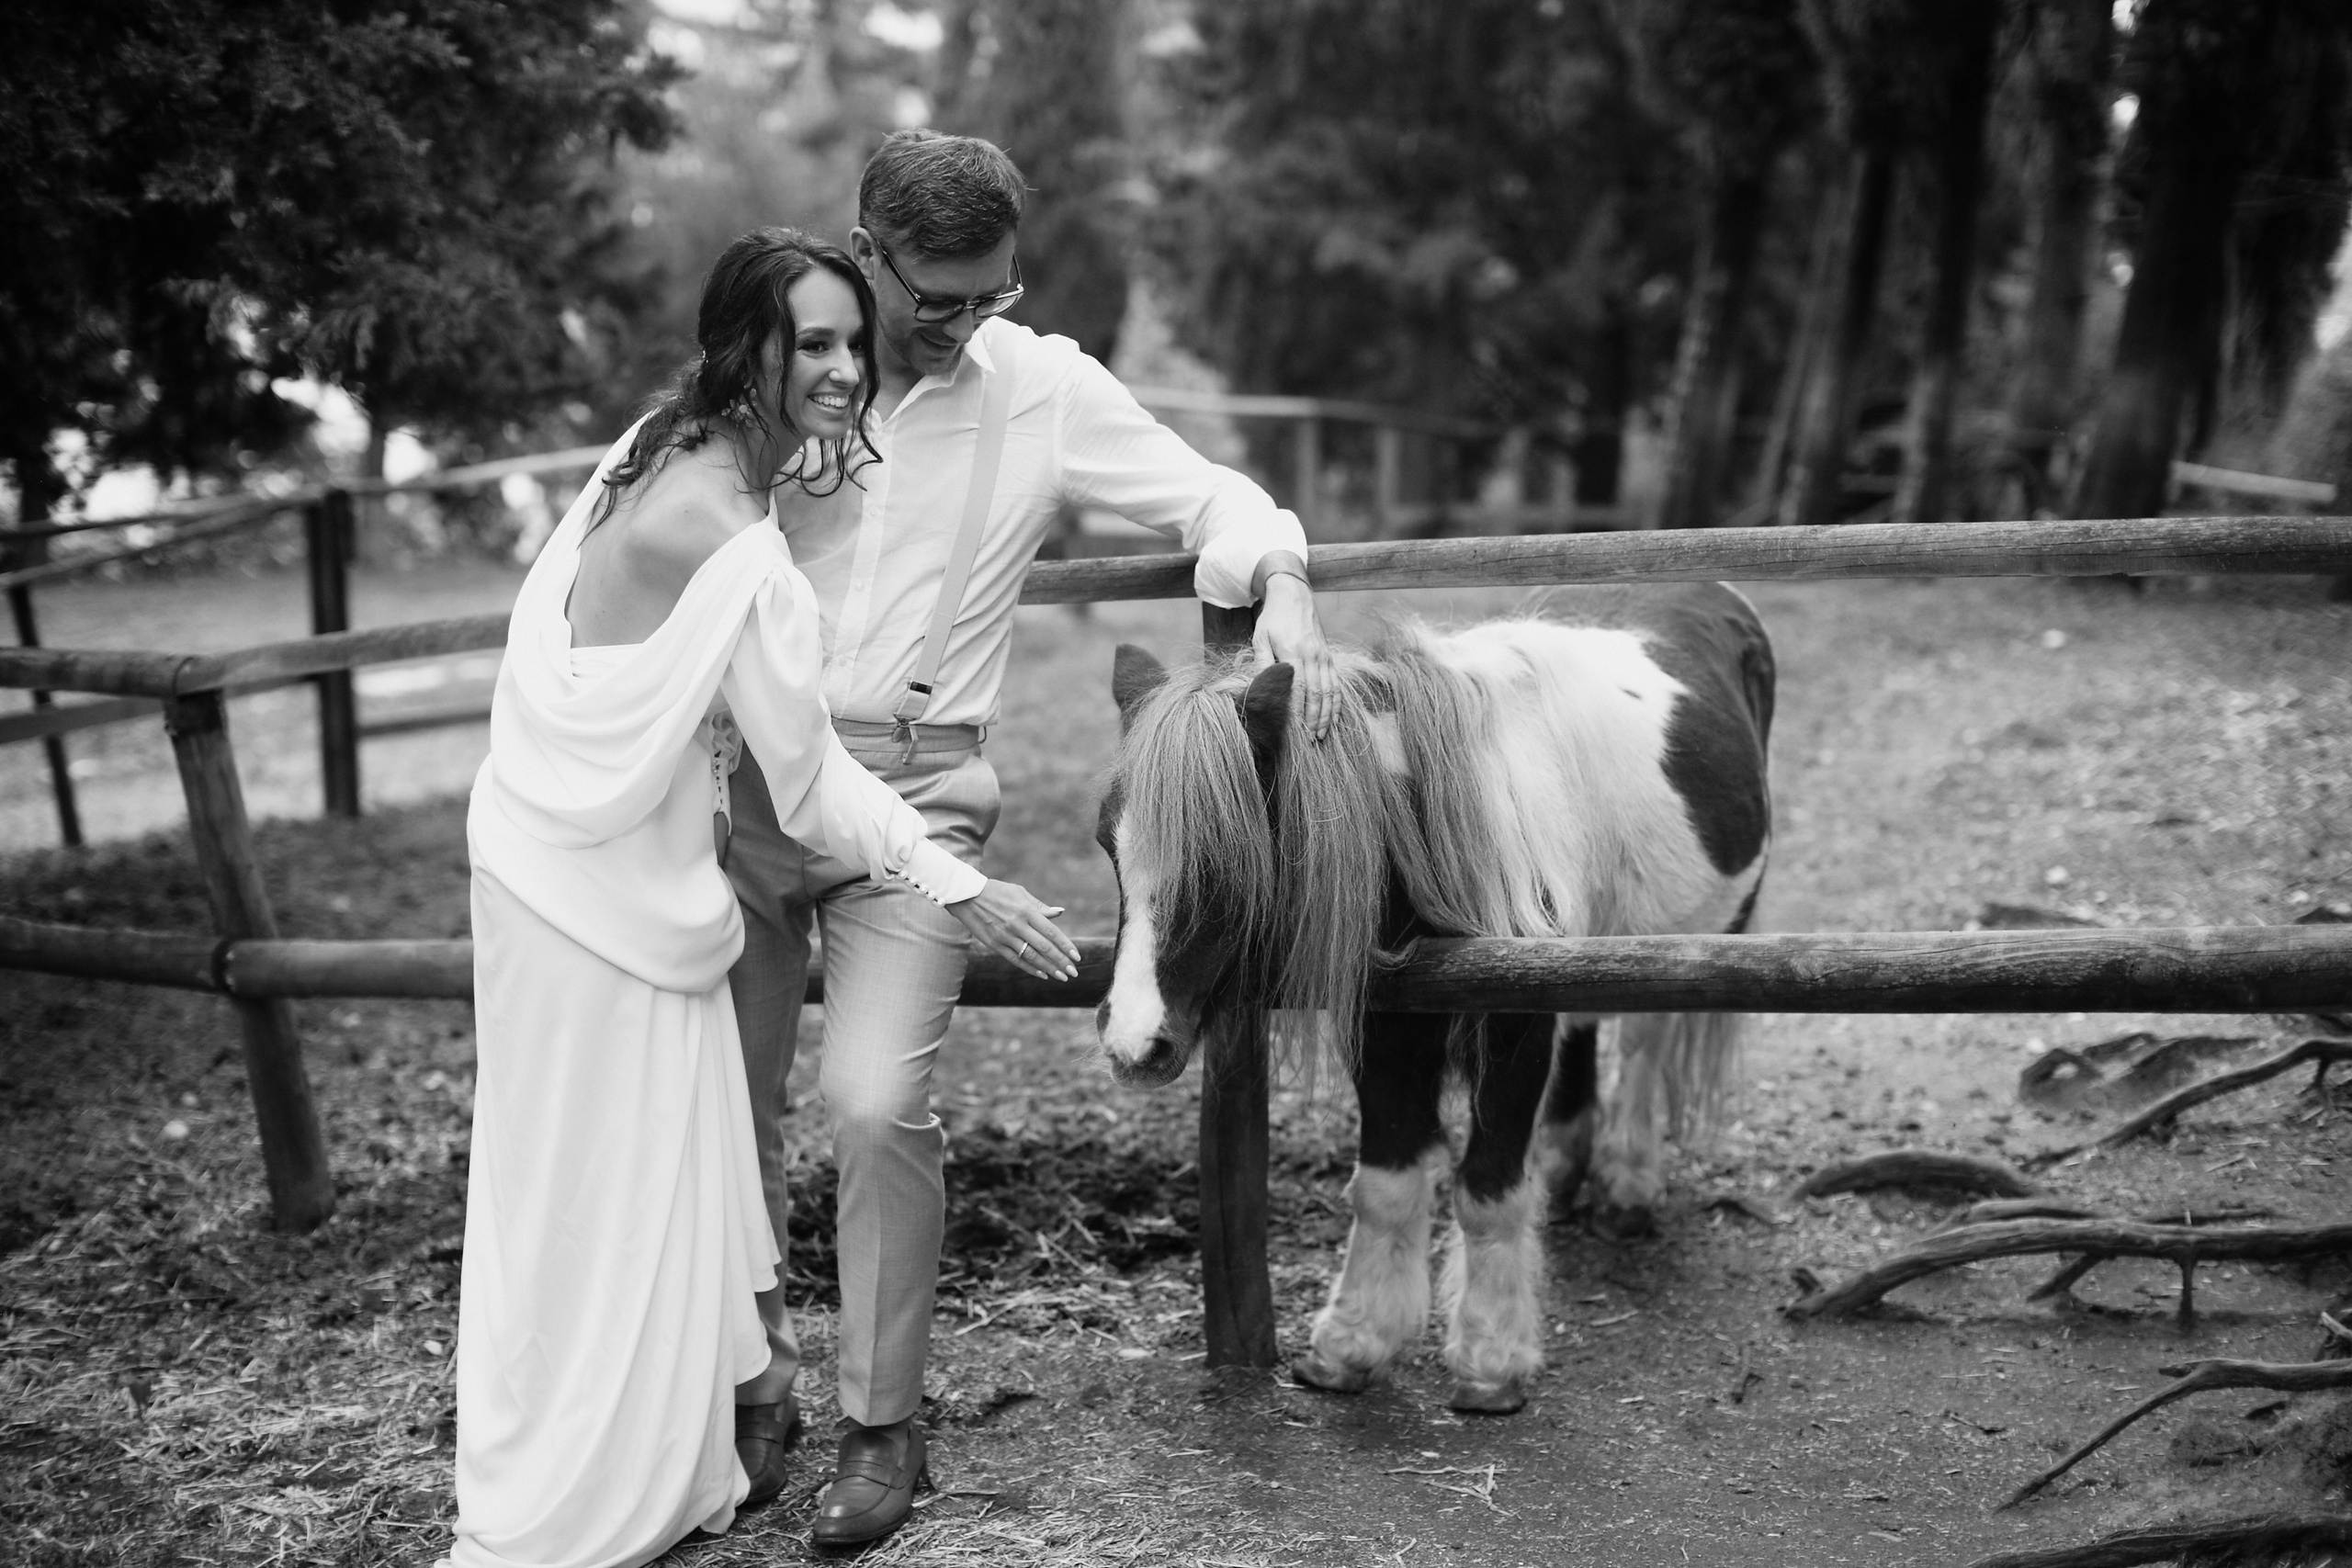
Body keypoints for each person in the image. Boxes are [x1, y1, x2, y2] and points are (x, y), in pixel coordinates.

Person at [723, 130, 1336, 1551]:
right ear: (865, 251)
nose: (961, 326)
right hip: (744, 790)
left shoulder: (1043, 388)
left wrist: (1285, 576)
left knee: (875, 1103)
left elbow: (1213, 501)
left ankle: (887, 1426)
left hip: (921, 799)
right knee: (722, 1100)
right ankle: (752, 1388)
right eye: (936, 300)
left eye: (989, 296)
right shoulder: (781, 372)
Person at [448, 228, 1078, 1568]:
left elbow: (552, 645)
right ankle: (593, 1476)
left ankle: (674, 1429)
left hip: (537, 851)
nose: (848, 370)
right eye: (815, 343)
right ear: (748, 347)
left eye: (855, 339)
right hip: (605, 896)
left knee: (598, 1173)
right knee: (613, 1180)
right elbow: (816, 788)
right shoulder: (737, 545)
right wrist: (968, 885)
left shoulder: (644, 448)